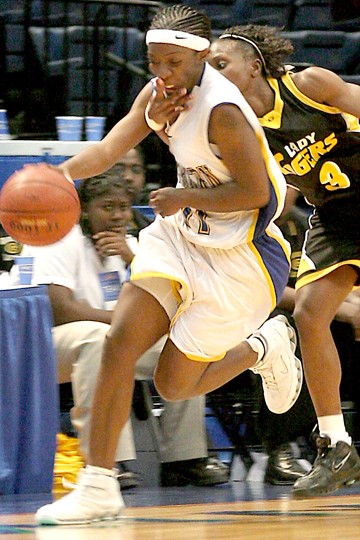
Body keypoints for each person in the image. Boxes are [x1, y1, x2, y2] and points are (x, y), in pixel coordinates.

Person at [35, 5, 301, 525]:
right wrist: (55, 179)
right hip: (180, 239)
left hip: (242, 257)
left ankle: (264, 347)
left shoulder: (222, 111)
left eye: (173, 62)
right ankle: (99, 485)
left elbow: (256, 193)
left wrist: (183, 196)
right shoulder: (159, 94)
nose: (162, 73)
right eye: (154, 61)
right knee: (119, 342)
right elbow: (111, 148)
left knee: (175, 385)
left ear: (201, 56)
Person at [209, 24, 360, 497]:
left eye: (220, 64)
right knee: (310, 313)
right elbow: (281, 184)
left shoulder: (308, 85)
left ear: (254, 66)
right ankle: (337, 445)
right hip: (336, 214)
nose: (211, 74)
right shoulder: (240, 128)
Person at [17, 170, 228, 489]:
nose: (117, 216)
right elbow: (59, 310)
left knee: (185, 344)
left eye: (123, 207)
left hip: (95, 340)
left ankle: (183, 459)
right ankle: (108, 462)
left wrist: (133, 256)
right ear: (84, 210)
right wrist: (123, 325)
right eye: (107, 207)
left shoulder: (129, 244)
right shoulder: (59, 237)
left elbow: (179, 293)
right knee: (106, 341)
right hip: (35, 344)